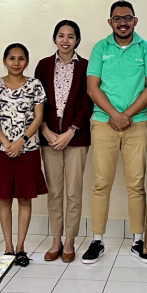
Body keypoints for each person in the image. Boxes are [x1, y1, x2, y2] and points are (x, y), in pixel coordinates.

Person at [84, 0, 147, 265]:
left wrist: (126, 115)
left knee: (136, 185)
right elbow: (93, 87)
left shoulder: (145, 48)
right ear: (110, 22)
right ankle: (97, 240)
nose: (123, 23)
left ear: (135, 21)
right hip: (103, 123)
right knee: (101, 183)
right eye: (117, 19)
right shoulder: (100, 48)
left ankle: (139, 239)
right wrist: (114, 115)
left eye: (127, 18)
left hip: (136, 124)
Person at [35, 21, 94, 263]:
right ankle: (55, 240)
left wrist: (71, 130)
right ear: (55, 38)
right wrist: (45, 130)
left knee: (73, 192)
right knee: (55, 191)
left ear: (77, 40)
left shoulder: (87, 66)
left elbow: (88, 102)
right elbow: (37, 100)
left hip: (76, 137)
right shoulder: (44, 65)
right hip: (49, 136)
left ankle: (70, 240)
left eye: (71, 36)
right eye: (61, 35)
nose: (65, 40)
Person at [0, 44, 48, 268]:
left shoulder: (35, 85)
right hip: (2, 150)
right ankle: (8, 248)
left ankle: (21, 247)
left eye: (21, 59)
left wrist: (21, 141)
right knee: (4, 198)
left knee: (24, 198)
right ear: (4, 60)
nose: (16, 63)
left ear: (27, 62)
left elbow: (38, 118)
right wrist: (6, 143)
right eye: (12, 58)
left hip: (28, 149)